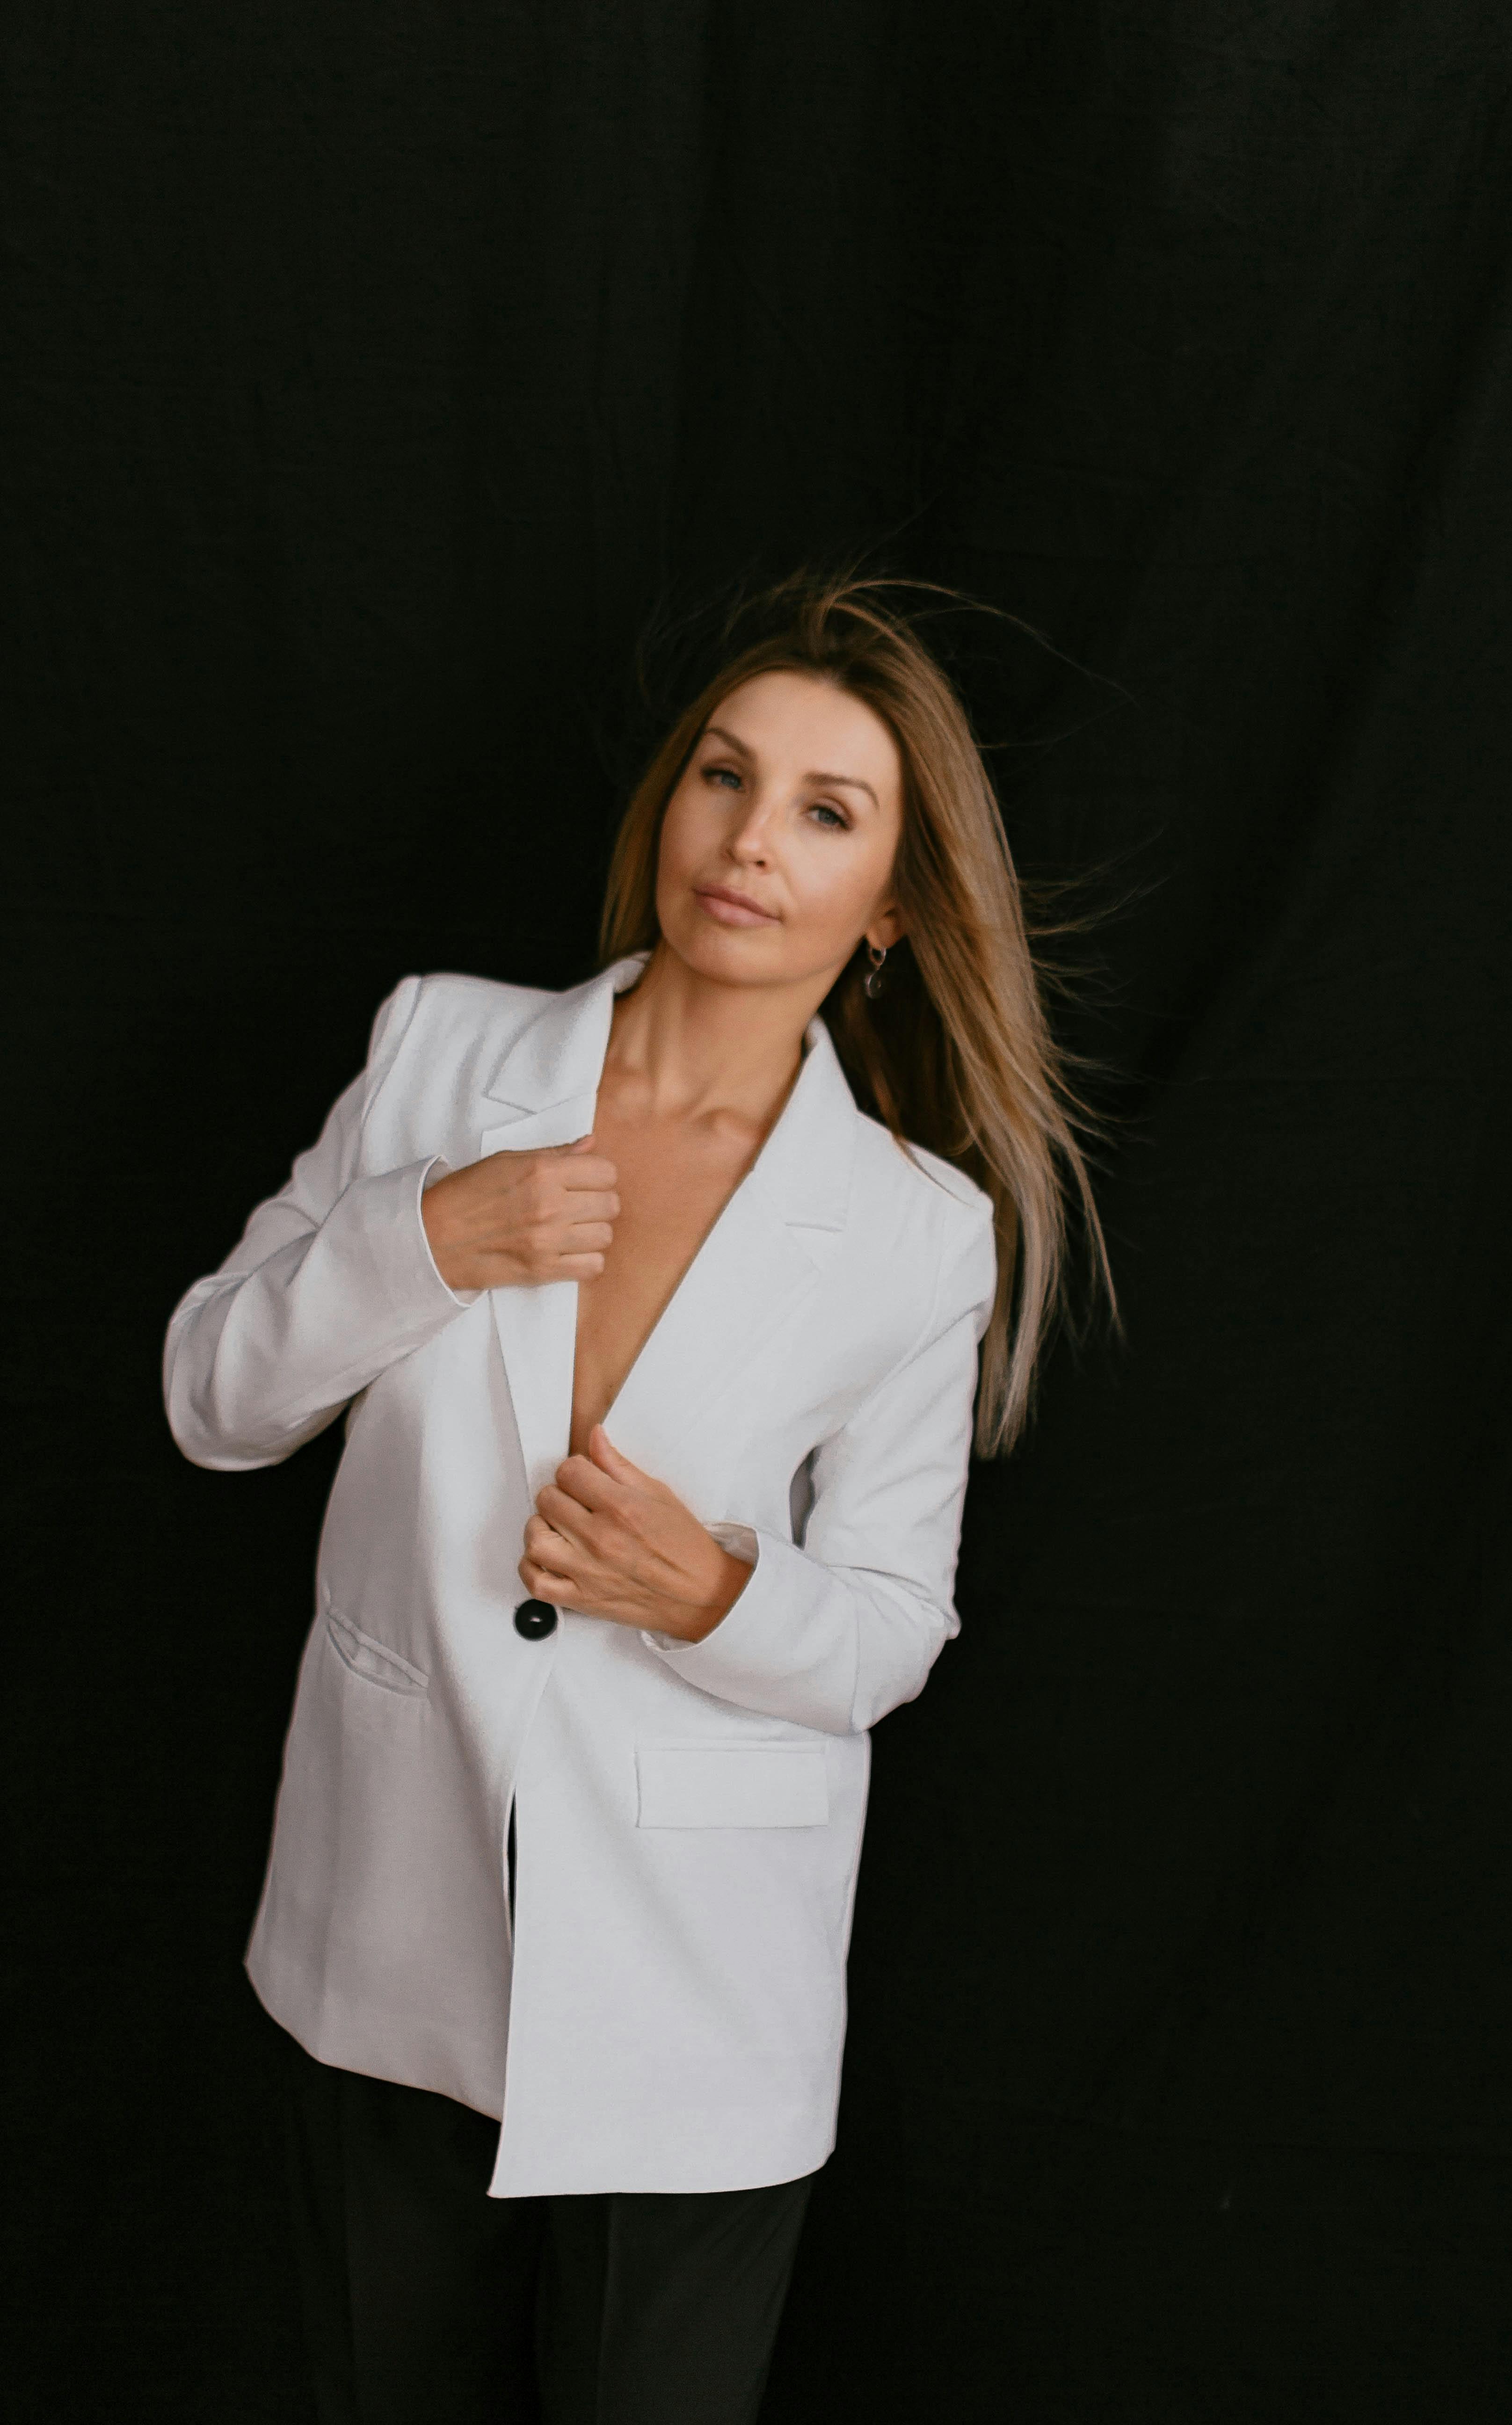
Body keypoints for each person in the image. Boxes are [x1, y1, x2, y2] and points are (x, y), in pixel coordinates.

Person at [163, 579, 1110, 2424]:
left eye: (826, 811)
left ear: (893, 906)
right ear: (668, 804)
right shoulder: (442, 1055)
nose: (751, 841)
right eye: (724, 777)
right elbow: (212, 1402)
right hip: (388, 1915)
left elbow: (891, 1630)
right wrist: (423, 1240)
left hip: (698, 1977)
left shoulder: (919, 1234)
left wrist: (716, 1598)